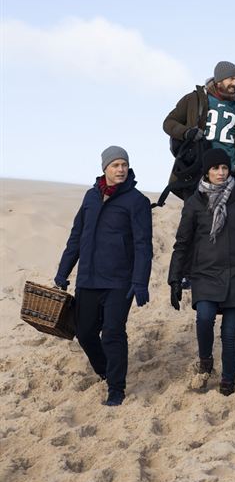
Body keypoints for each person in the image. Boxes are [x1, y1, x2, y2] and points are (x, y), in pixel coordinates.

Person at [168, 148, 235, 396]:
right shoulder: (195, 202)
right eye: (216, 169)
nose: (221, 173)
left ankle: (228, 380)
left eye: (225, 168)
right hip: (205, 273)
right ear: (207, 171)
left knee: (229, 332)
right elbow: (183, 242)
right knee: (204, 318)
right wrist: (174, 279)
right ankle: (205, 361)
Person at [54, 146, 153, 407]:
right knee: (85, 333)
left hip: (119, 282)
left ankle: (116, 388)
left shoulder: (137, 202)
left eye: (124, 165)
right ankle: (105, 371)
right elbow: (76, 237)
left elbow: (144, 245)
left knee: (112, 333)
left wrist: (140, 281)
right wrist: (63, 272)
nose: (120, 169)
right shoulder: (90, 197)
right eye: (115, 165)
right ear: (104, 169)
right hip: (88, 278)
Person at [163, 60, 235, 194]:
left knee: (230, 215)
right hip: (198, 171)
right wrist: (187, 132)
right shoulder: (195, 99)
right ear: (219, 80)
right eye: (231, 79)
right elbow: (169, 122)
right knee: (194, 214)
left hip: (230, 175)